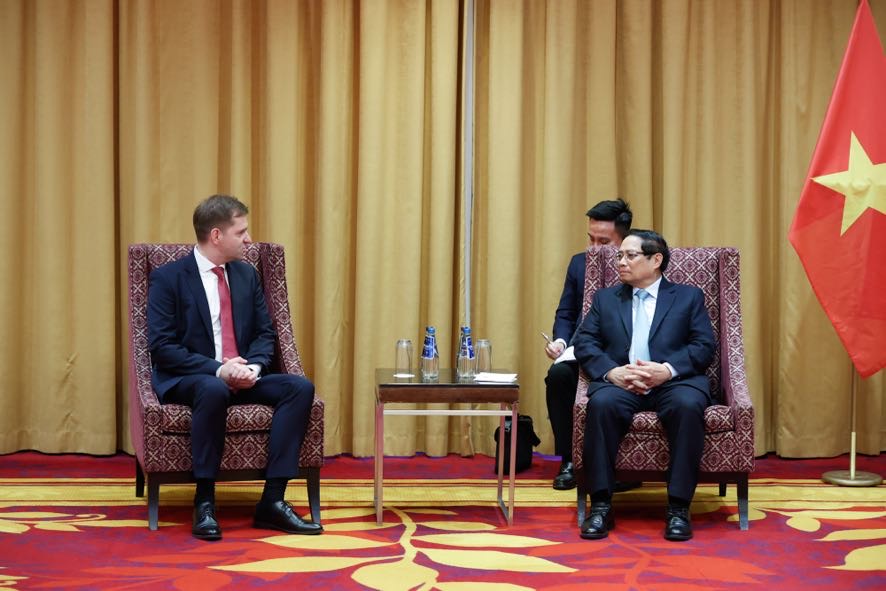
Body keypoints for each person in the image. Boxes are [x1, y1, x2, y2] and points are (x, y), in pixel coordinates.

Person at [147, 194, 323, 541]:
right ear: (216, 235)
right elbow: (163, 348)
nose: (248, 239)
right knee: (213, 388)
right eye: (241, 232)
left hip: (242, 375)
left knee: (299, 388)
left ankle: (272, 501)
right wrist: (218, 369)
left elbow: (264, 333)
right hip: (192, 378)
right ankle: (204, 502)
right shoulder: (169, 278)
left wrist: (254, 367)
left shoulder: (245, 275)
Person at [573, 230, 715, 541]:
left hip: (673, 382)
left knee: (688, 406)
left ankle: (678, 508)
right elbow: (585, 342)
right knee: (602, 405)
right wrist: (611, 372)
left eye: (630, 255)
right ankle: (601, 506)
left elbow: (704, 345)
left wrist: (667, 370)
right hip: (621, 382)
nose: (620, 262)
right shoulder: (606, 299)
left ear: (656, 260)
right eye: (619, 256)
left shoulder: (688, 297)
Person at [545, 199, 632, 490]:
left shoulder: (639, 262)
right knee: (558, 376)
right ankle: (569, 460)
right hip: (582, 349)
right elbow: (566, 312)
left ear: (623, 240)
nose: (594, 248)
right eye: (591, 239)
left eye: (604, 242)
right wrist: (560, 342)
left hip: (624, 354)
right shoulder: (579, 263)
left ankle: (625, 465)